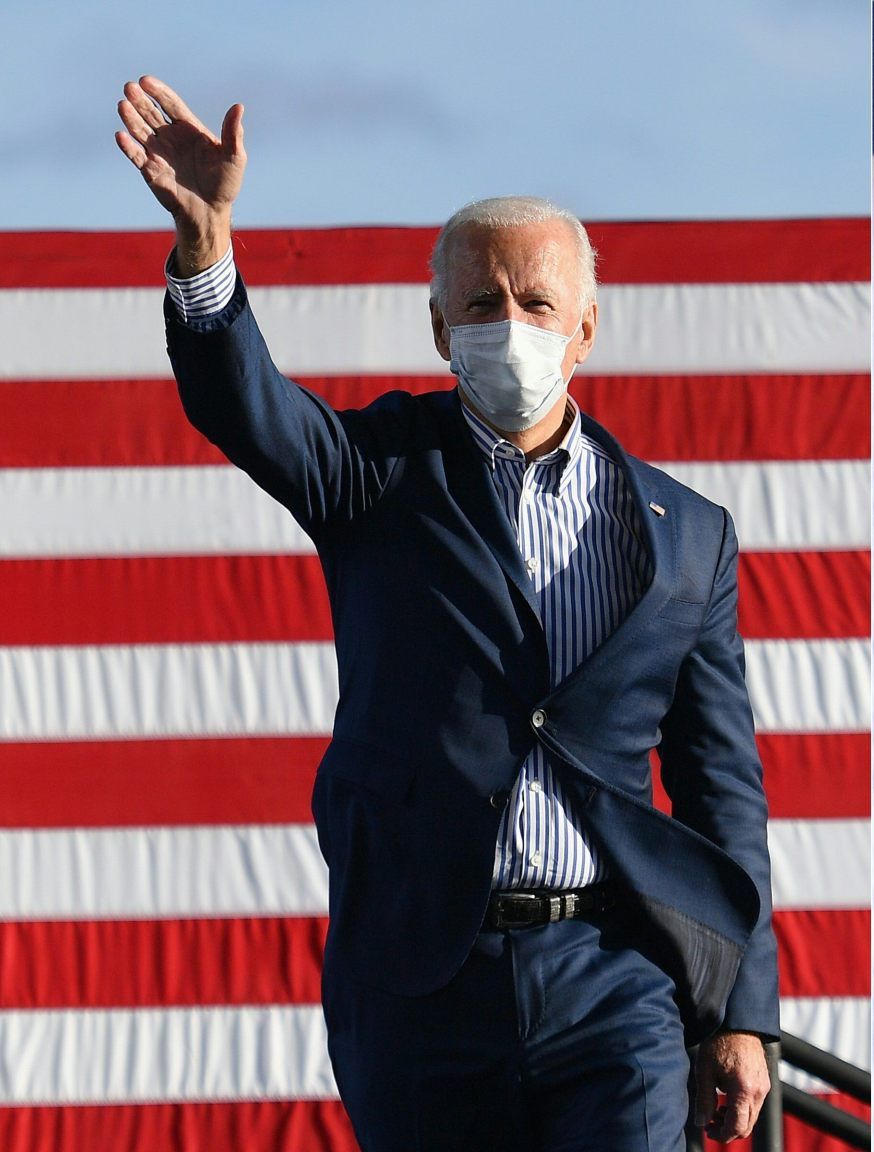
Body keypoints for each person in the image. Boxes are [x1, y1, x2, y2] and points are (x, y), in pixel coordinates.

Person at [113, 75, 775, 1151]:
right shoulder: (376, 471)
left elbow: (719, 783)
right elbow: (250, 409)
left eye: (535, 304)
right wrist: (205, 249)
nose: (507, 328)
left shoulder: (686, 534)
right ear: (438, 326)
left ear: (585, 331)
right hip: (422, 979)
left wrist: (741, 1014)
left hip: (616, 981)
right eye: (480, 305)